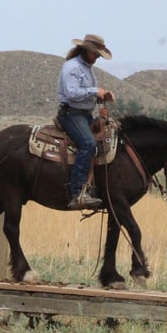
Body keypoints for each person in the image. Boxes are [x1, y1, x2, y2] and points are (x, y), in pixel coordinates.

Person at [56, 33, 115, 210]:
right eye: (95, 54)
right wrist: (94, 92)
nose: (97, 57)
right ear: (86, 50)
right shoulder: (72, 67)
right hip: (71, 115)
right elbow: (72, 93)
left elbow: (84, 93)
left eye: (98, 55)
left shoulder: (86, 68)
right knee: (89, 144)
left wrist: (101, 98)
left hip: (83, 114)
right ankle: (77, 192)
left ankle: (93, 187)